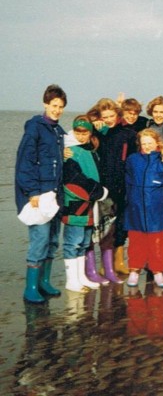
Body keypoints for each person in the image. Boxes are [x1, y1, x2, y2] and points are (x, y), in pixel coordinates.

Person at [15, 84, 67, 303]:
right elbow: (24, 161)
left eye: (61, 106)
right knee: (40, 238)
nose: (57, 110)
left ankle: (45, 282)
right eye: (54, 105)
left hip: (55, 193)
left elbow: (80, 139)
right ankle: (31, 287)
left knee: (53, 239)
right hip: (39, 194)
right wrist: (32, 191)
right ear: (46, 104)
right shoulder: (35, 127)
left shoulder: (58, 131)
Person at [88, 98, 137, 278]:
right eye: (105, 116)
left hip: (124, 185)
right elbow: (81, 131)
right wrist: (94, 122)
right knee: (104, 226)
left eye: (111, 115)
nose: (108, 119)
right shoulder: (98, 132)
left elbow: (136, 157)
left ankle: (119, 261)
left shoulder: (128, 134)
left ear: (118, 115)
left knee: (122, 224)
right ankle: (104, 265)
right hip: (104, 187)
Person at [124, 130, 163, 289]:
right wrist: (130, 200)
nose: (147, 146)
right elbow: (127, 179)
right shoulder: (133, 159)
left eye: (150, 143)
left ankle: (158, 271)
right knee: (136, 241)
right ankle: (134, 270)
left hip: (157, 208)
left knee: (157, 242)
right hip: (136, 206)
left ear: (157, 143)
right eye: (144, 143)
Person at [62, 116, 109, 292]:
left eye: (85, 132)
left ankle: (81, 276)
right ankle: (71, 280)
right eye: (78, 132)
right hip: (75, 202)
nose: (81, 136)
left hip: (89, 204)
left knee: (83, 242)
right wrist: (98, 192)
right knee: (72, 242)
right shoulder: (69, 151)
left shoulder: (89, 150)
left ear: (90, 133)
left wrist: (101, 128)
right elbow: (74, 179)